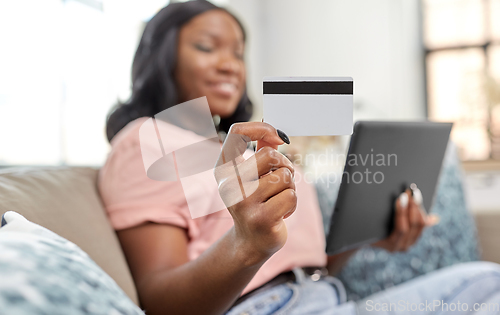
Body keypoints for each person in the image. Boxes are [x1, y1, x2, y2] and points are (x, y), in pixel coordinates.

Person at [99, 1, 500, 314]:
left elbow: (306, 264)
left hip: (326, 296)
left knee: (487, 284)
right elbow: (162, 304)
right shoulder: (149, 139)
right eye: (207, 47)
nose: (229, 64)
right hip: (265, 308)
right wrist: (246, 244)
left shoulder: (242, 148)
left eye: (239, 53)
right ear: (161, 56)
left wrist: (369, 234)